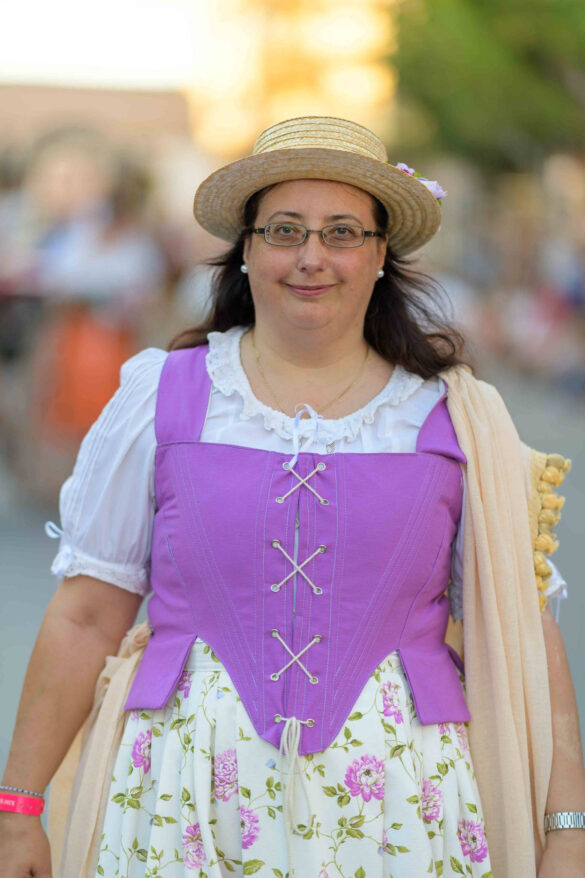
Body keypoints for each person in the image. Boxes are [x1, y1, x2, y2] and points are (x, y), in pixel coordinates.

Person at [1, 116, 584, 878]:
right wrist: (17, 809)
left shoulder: (454, 418)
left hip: (398, 813)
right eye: (284, 230)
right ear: (245, 250)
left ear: (379, 253)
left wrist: (567, 829)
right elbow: (85, 616)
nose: (312, 256)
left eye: (342, 232)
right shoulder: (164, 397)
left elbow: (523, 633)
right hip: (184, 803)